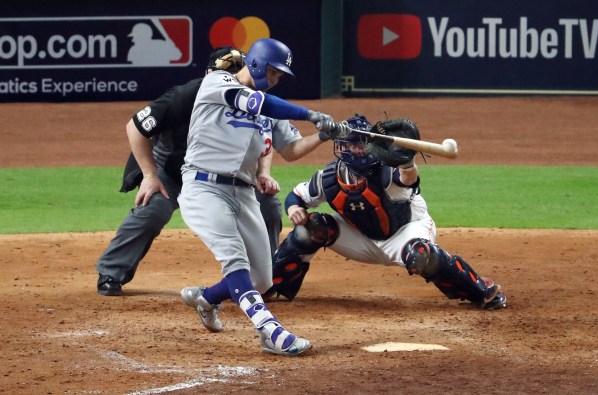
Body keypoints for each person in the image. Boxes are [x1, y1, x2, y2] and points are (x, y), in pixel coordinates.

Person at [178, 38, 346, 357]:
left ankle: (207, 298)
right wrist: (311, 113)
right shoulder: (217, 83)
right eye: (273, 73)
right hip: (204, 187)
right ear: (255, 64)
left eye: (279, 76)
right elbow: (261, 104)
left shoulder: (268, 108)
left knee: (263, 279)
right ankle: (270, 331)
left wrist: (323, 135)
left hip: (244, 193)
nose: (275, 80)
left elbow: (291, 150)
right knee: (235, 260)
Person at [265, 114, 508, 310]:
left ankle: (479, 289)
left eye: (361, 145)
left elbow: (407, 180)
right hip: (361, 239)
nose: (358, 150)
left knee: (422, 255)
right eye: (352, 145)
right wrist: (295, 207)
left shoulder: (386, 170)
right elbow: (296, 195)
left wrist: (407, 162)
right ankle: (273, 284)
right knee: (310, 228)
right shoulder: (329, 177)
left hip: (405, 231)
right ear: (341, 147)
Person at [96, 47, 283, 296]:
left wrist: (263, 173)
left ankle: (265, 278)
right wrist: (150, 176)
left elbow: (263, 140)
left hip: (226, 178)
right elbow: (135, 126)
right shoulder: (189, 94)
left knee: (267, 204)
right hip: (172, 172)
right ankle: (112, 271)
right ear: (209, 75)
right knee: (154, 208)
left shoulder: (250, 98)